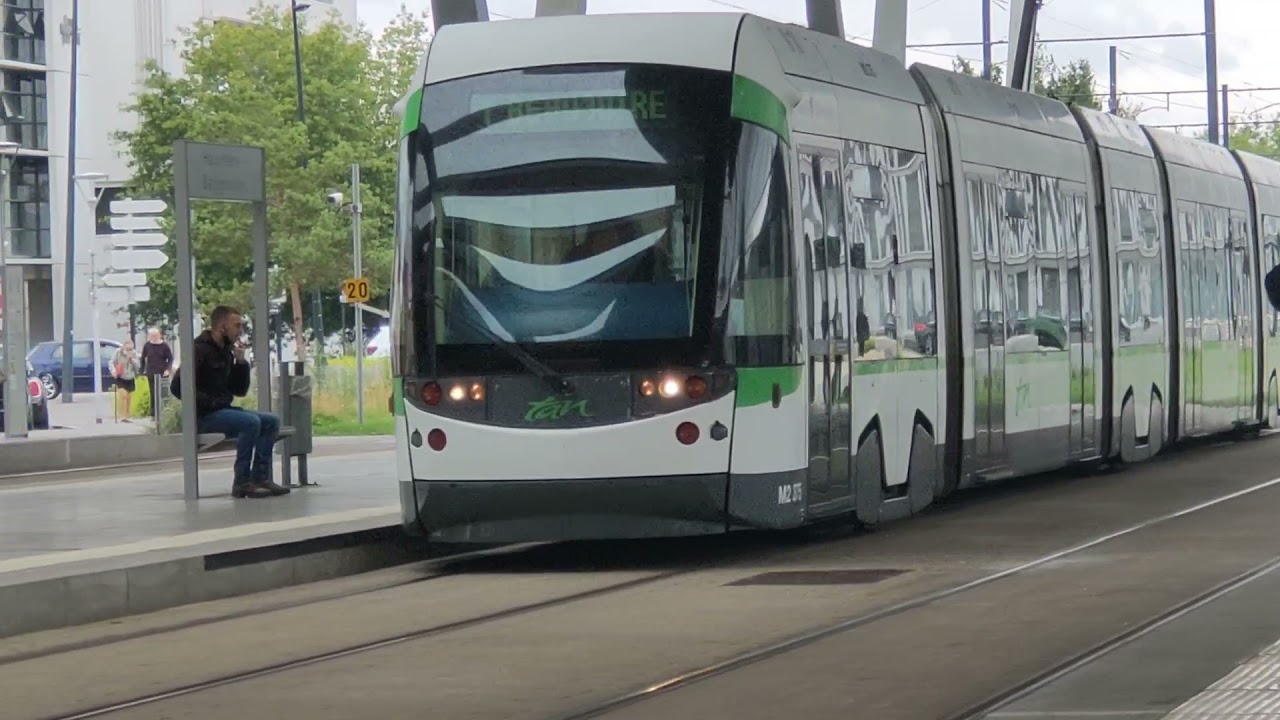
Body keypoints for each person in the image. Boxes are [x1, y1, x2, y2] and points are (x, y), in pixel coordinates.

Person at [174, 305, 289, 499]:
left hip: (224, 410)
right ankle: (242, 482)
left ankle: (261, 478)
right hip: (204, 415)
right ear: (222, 327)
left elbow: (239, 390)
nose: (240, 331)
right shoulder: (198, 350)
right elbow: (177, 387)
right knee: (250, 422)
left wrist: (241, 364)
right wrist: (208, 402)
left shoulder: (226, 351)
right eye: (236, 326)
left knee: (270, 421)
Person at [140, 327, 173, 420]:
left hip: (162, 372)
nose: (154, 337)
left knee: (163, 393)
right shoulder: (147, 345)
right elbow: (143, 358)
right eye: (152, 336)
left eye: (155, 335)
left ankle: (164, 411)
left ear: (159, 335)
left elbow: (170, 359)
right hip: (151, 372)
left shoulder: (164, 346)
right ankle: (153, 414)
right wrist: (142, 371)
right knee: (153, 392)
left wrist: (168, 369)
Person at [110, 340, 139, 422]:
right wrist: (113, 371)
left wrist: (132, 360)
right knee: (124, 395)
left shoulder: (134, 354)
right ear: (124, 347)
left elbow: (137, 367)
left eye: (131, 349)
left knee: (129, 397)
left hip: (130, 377)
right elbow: (112, 362)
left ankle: (127, 415)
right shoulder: (118, 352)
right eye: (127, 349)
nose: (129, 351)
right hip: (121, 376)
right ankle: (123, 416)